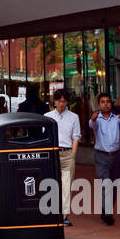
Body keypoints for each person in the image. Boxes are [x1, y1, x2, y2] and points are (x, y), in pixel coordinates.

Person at [88, 93, 120, 225]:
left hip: (116, 156)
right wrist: (93, 119)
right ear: (98, 104)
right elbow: (91, 124)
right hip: (102, 156)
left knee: (115, 184)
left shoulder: (117, 119)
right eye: (102, 102)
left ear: (111, 104)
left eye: (108, 102)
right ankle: (108, 213)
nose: (105, 104)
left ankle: (106, 209)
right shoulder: (97, 120)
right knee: (106, 183)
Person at [46, 89, 81, 225]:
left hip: (67, 154)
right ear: (54, 101)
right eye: (59, 101)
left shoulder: (74, 117)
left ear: (67, 102)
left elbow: (76, 137)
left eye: (64, 101)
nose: (61, 104)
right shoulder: (47, 116)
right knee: (51, 184)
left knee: (67, 186)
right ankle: (52, 213)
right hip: (52, 154)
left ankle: (64, 216)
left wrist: (73, 154)